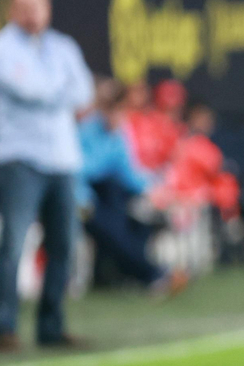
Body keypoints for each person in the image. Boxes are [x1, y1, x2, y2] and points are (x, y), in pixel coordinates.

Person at [0, 0, 94, 352]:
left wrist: (54, 89)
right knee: (13, 245)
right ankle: (4, 326)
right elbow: (33, 92)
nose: (32, 14)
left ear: (48, 8)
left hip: (62, 158)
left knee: (63, 245)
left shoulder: (63, 46)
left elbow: (84, 92)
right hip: (20, 158)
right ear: (12, 10)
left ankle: (50, 324)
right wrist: (58, 90)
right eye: (24, 7)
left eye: (38, 6)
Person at [77, 78, 187, 296]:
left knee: (129, 219)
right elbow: (75, 174)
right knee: (112, 226)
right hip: (82, 200)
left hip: (108, 197)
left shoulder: (119, 133)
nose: (116, 116)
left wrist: (155, 189)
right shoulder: (85, 131)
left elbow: (129, 173)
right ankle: (153, 274)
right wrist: (82, 201)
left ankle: (131, 275)